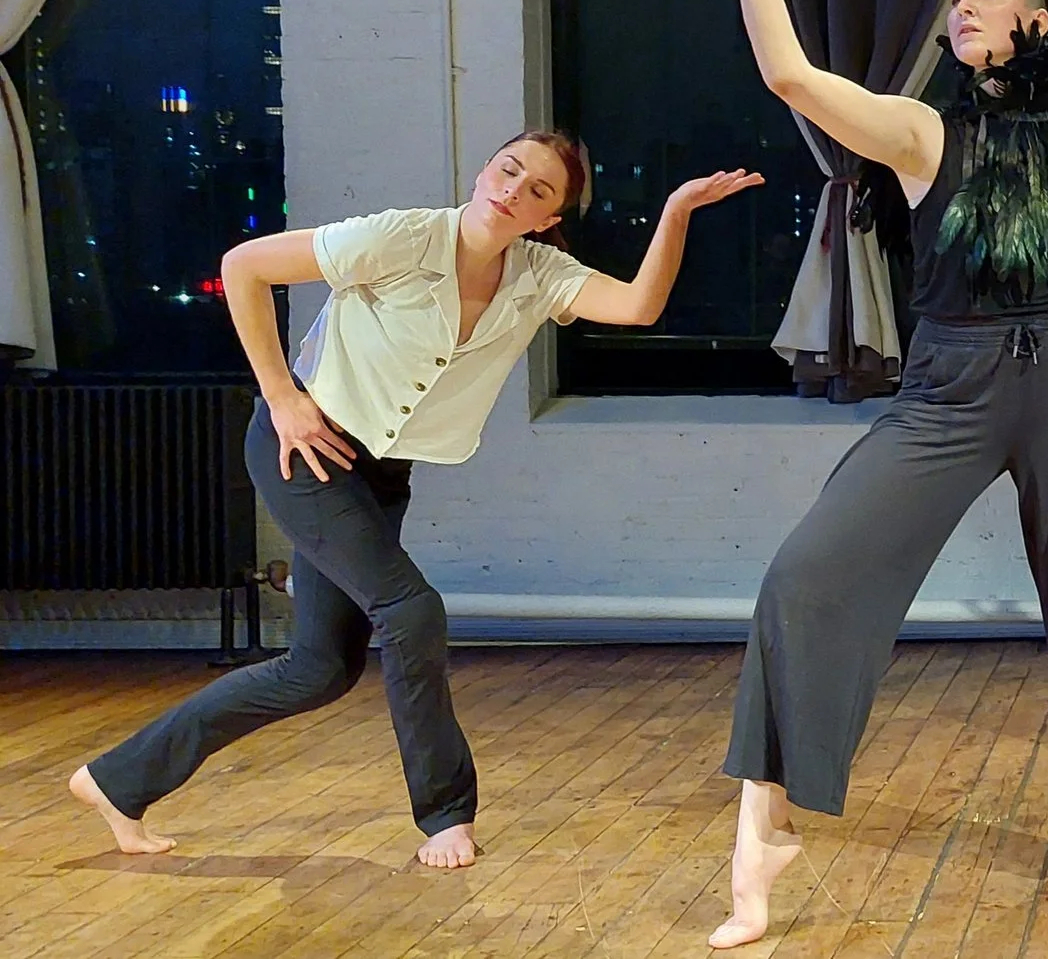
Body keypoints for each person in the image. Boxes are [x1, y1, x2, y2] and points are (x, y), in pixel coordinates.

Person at [638, 0, 1048, 948]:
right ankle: (766, 820)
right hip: (953, 381)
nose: (964, 4)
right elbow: (792, 76)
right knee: (809, 572)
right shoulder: (924, 132)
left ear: (1037, 21)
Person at [68, 130, 761, 870]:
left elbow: (638, 305)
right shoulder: (402, 237)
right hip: (304, 447)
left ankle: (117, 780)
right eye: (508, 170)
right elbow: (245, 266)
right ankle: (445, 813)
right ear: (483, 171)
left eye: (538, 190)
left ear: (548, 217)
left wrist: (677, 209)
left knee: (319, 670)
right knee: (411, 611)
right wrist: (281, 398)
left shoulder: (539, 275)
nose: (514, 190)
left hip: (380, 472)